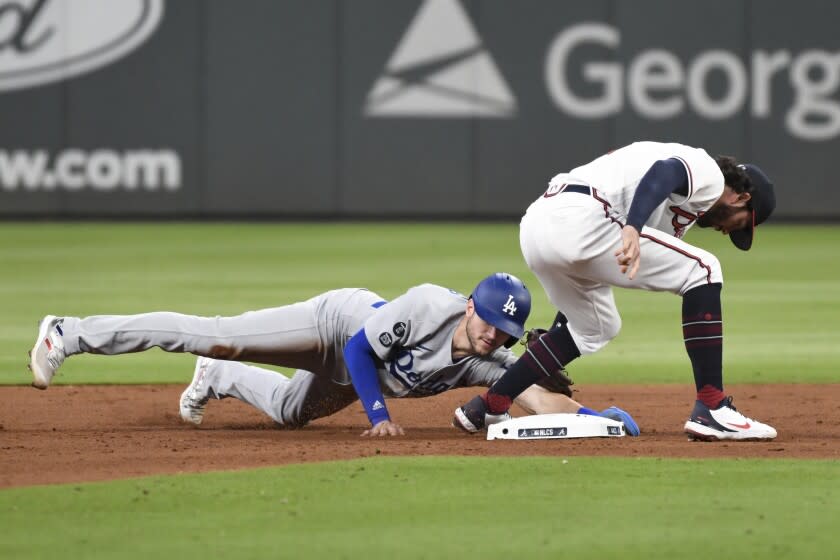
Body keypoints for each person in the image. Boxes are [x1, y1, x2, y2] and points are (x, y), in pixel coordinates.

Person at [27, 272, 639, 436]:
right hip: (334, 327)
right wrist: (377, 416)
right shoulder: (430, 305)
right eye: (491, 324)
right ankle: (70, 332)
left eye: (507, 335)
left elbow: (532, 393)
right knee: (215, 331)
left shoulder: (482, 360)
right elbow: (355, 348)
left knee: (291, 415)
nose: (495, 339)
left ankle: (220, 378)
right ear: (473, 307)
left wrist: (595, 419)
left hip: (361, 369)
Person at [453, 142, 778, 441]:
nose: (727, 231)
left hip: (540, 228)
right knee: (704, 270)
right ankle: (713, 407)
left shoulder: (679, 207)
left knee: (595, 328)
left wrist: (554, 338)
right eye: (739, 223)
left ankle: (488, 405)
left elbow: (594, 265)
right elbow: (665, 171)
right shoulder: (708, 172)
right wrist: (633, 226)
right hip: (580, 216)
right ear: (741, 198)